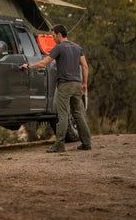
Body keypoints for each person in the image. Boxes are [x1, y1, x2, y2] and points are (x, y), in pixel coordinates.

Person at [21, 24, 92, 153]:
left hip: (65, 85)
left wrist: (29, 66)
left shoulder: (58, 48)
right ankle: (86, 143)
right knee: (78, 114)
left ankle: (59, 145)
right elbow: (85, 66)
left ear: (59, 34)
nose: (53, 39)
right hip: (77, 84)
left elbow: (44, 63)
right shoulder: (77, 47)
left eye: (53, 36)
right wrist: (84, 84)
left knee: (63, 115)